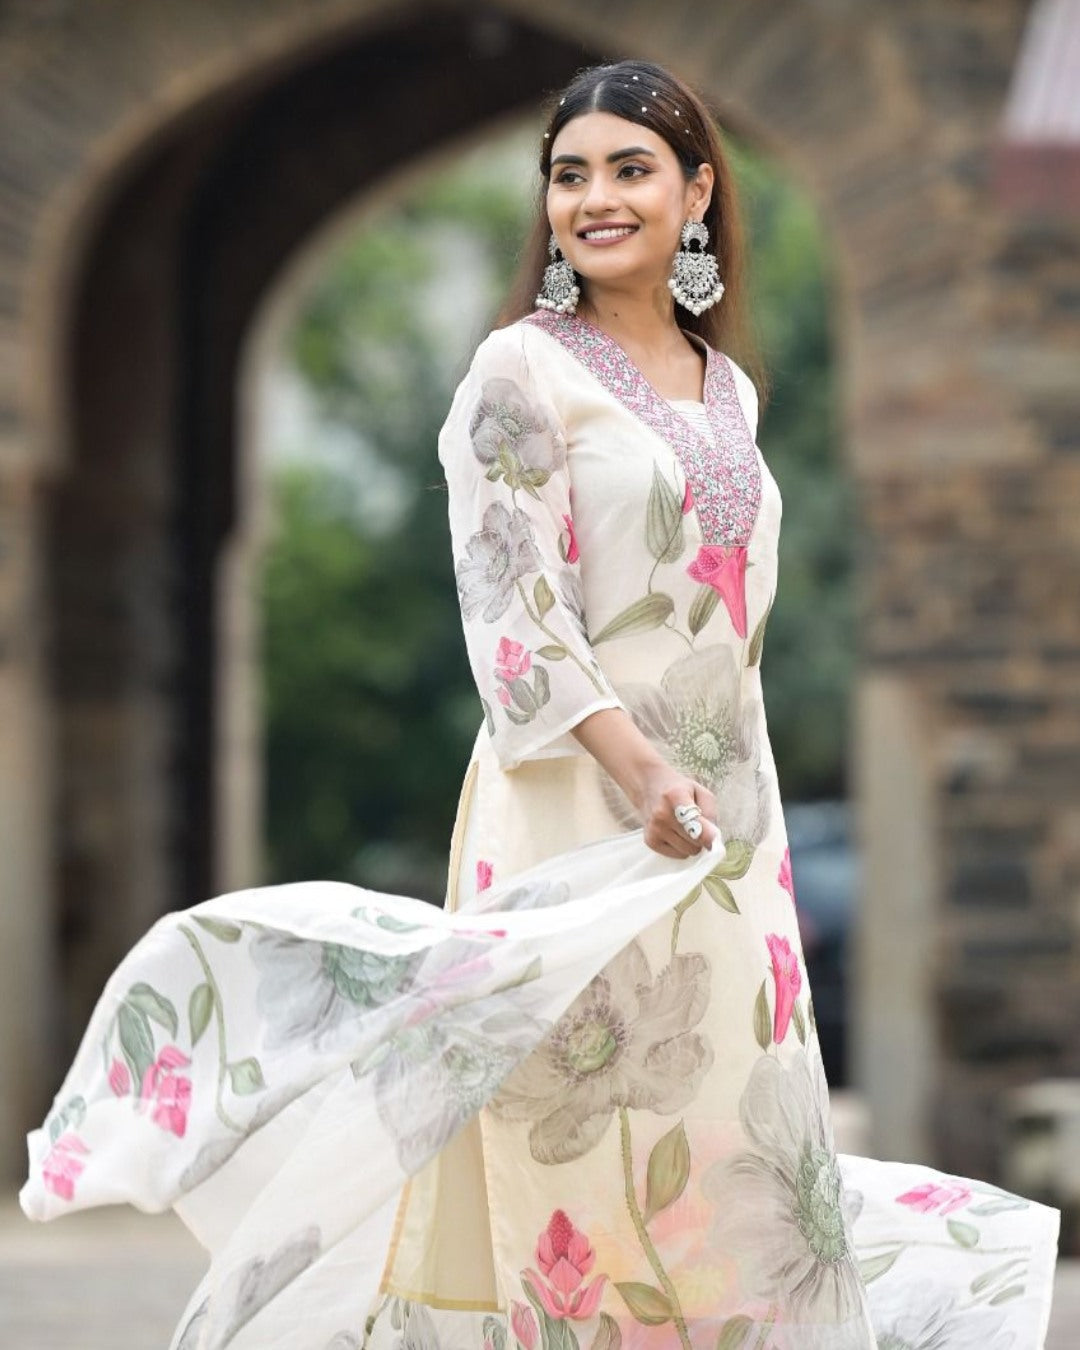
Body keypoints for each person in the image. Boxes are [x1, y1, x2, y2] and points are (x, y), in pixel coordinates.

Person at [20, 60, 1059, 1350]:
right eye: (572, 174)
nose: (596, 198)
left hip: (728, 820)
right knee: (574, 1133)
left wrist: (728, 805)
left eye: (631, 169)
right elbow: (513, 617)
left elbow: (729, 636)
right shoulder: (519, 372)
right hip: (578, 799)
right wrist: (640, 774)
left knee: (738, 1132)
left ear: (698, 194)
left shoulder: (724, 389)